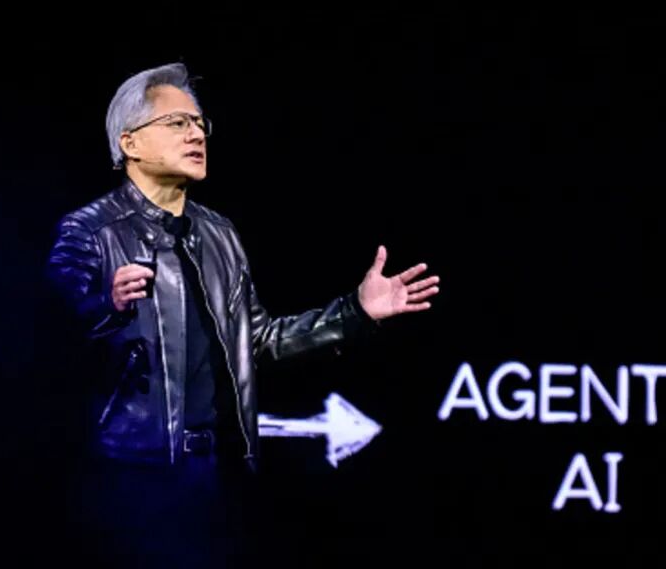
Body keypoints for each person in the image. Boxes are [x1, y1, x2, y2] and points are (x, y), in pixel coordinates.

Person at [43, 62, 439, 566]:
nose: (196, 134)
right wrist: (107, 307)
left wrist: (354, 313)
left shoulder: (219, 234)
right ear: (130, 144)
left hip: (218, 476)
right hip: (129, 474)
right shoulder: (89, 232)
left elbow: (257, 341)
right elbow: (47, 332)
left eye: (199, 124)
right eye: (177, 123)